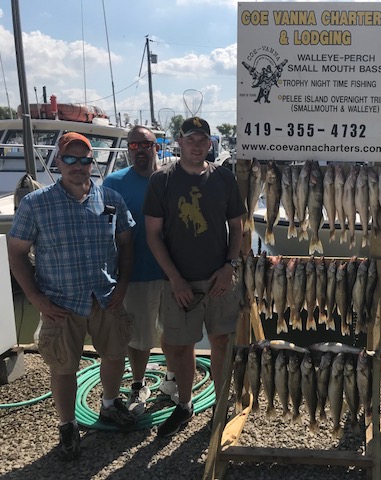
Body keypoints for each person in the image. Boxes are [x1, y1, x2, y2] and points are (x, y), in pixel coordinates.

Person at [8, 132, 137, 461]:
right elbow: (17, 254)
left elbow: (126, 245)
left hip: (106, 295)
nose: (78, 166)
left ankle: (109, 404)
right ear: (57, 162)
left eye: (84, 159)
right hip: (60, 301)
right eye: (70, 159)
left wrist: (122, 287)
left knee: (114, 353)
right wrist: (36, 299)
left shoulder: (110, 199)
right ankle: (68, 425)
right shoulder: (35, 204)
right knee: (64, 366)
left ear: (92, 162)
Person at [144, 117, 245, 437]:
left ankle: (219, 405)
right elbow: (153, 235)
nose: (197, 144)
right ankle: (184, 405)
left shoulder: (225, 179)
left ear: (210, 143)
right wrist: (174, 278)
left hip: (220, 279)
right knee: (180, 346)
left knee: (222, 342)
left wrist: (230, 267)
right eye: (191, 139)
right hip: (179, 282)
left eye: (203, 139)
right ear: (180, 141)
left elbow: (238, 227)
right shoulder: (161, 181)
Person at [103, 126, 178, 415]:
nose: (140, 150)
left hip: (174, 273)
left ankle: (172, 379)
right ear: (128, 149)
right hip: (136, 274)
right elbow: (104, 227)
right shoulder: (114, 182)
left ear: (156, 146)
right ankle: (138, 382)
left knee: (175, 333)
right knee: (139, 337)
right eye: (133, 146)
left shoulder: (172, 179)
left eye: (145, 144)